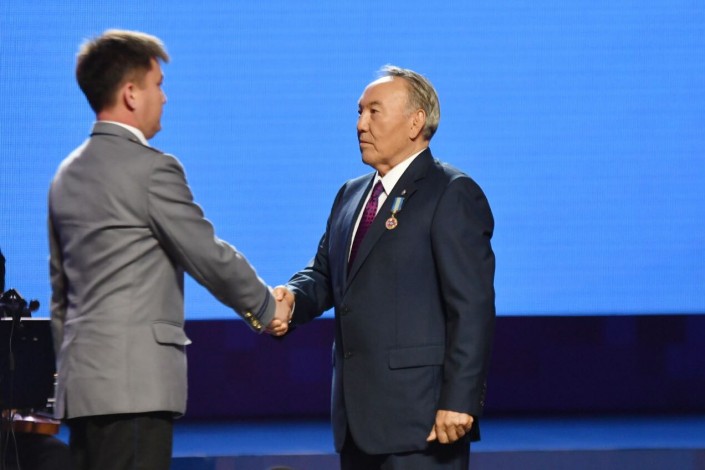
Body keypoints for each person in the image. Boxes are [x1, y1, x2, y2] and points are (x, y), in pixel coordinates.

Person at [47, 29, 290, 470]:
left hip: (82, 391)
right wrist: (266, 307)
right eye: (157, 85)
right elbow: (206, 255)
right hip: (135, 390)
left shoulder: (65, 175)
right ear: (130, 94)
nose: (164, 97)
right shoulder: (150, 169)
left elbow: (61, 295)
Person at [275, 65, 495, 469]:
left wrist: (460, 401)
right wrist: (291, 298)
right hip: (357, 421)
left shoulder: (451, 193)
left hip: (423, 423)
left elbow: (472, 308)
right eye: (359, 112)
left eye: (374, 111)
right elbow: (324, 274)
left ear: (415, 122)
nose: (361, 124)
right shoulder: (351, 194)